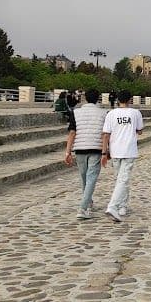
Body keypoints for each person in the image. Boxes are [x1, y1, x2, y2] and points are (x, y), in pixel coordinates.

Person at [63, 89, 108, 219]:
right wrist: (105, 151)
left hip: (80, 148)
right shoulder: (103, 113)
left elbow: (72, 133)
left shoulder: (76, 113)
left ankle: (87, 202)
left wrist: (68, 151)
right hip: (96, 148)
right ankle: (83, 208)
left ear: (85, 98)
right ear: (97, 99)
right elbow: (105, 134)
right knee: (91, 178)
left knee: (84, 177)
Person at [102, 90, 144, 222]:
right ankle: (114, 206)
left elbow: (106, 135)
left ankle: (122, 206)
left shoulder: (111, 114)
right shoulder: (135, 113)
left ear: (117, 99)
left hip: (117, 150)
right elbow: (140, 130)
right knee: (122, 179)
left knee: (122, 179)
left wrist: (104, 151)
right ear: (130, 99)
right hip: (126, 150)